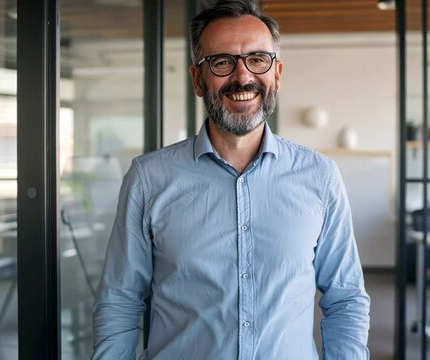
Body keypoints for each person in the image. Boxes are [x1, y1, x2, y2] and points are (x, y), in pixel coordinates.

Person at [91, 0, 370, 359]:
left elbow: (345, 298)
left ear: (277, 74)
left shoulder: (320, 177)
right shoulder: (149, 179)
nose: (242, 77)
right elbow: (120, 302)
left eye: (258, 60)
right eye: (222, 62)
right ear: (197, 78)